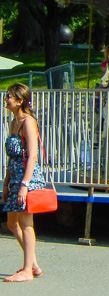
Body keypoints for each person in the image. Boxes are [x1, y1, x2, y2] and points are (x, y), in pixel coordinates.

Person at [2, 83, 46, 282]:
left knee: (26, 222)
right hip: (15, 176)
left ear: (20, 101)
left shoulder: (28, 121)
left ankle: (27, 270)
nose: (6, 99)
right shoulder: (13, 123)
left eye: (9, 96)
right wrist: (6, 183)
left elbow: (33, 155)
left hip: (28, 178)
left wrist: (24, 184)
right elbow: (12, 157)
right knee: (12, 223)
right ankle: (33, 264)